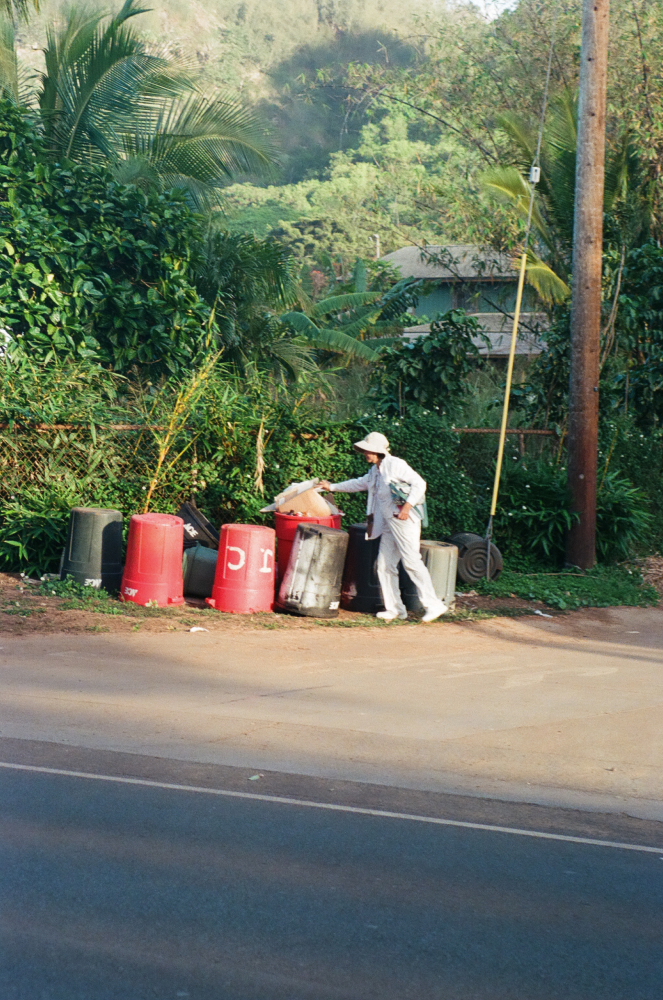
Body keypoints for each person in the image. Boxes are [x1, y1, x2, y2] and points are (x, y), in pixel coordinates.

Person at [319, 431, 447, 622]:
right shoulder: (375, 470)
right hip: (388, 522)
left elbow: (420, 483)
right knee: (384, 565)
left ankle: (434, 605)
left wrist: (407, 506)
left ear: (378, 451)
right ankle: (395, 609)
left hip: (404, 521)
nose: (366, 454)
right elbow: (360, 483)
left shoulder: (395, 465)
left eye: (369, 451)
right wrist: (333, 487)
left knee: (412, 562)